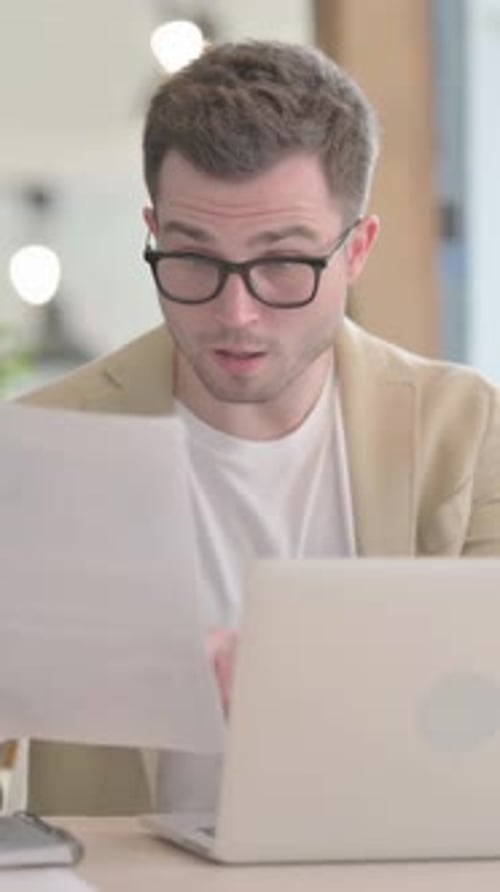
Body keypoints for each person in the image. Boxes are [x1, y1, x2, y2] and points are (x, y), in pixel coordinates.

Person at [15, 40, 500, 816]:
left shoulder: (468, 429)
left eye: (282, 264)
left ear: (358, 250)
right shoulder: (45, 441)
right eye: (192, 257)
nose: (234, 314)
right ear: (154, 228)